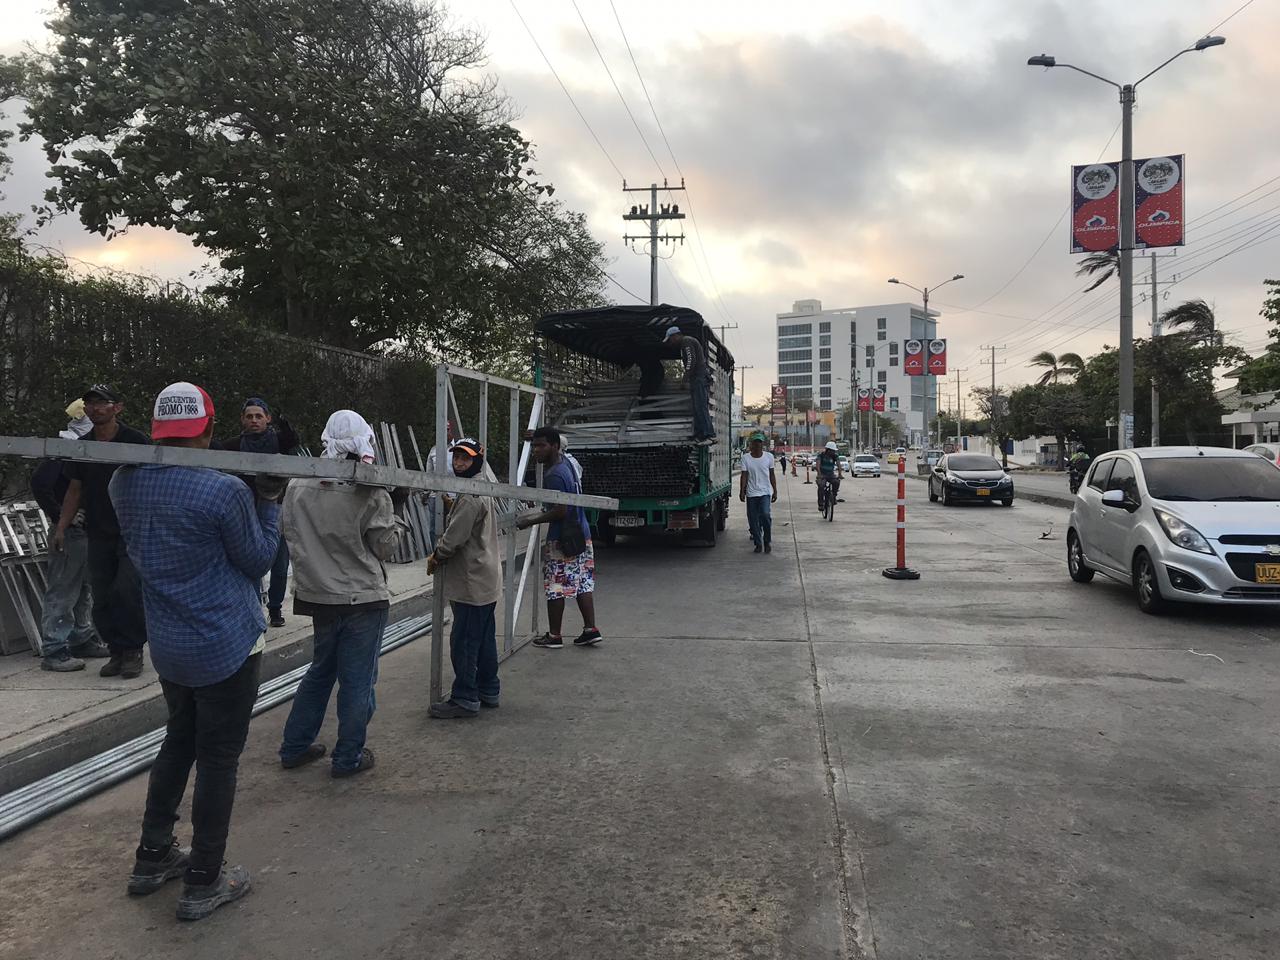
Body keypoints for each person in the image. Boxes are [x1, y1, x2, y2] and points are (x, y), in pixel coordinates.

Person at [110, 382, 280, 921]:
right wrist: (271, 504)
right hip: (225, 643)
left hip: (171, 646)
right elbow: (256, 560)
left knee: (178, 742)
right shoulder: (222, 489)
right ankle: (205, 879)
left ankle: (152, 856)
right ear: (208, 429)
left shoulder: (123, 482)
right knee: (218, 761)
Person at [276, 410, 409, 778]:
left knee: (321, 671)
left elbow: (290, 533)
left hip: (318, 596)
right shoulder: (369, 489)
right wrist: (398, 507)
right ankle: (348, 756)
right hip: (362, 598)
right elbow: (385, 547)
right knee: (358, 679)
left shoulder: (298, 484)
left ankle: (294, 746)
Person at [54, 384, 149, 679]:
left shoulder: (136, 442)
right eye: (90, 403)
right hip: (98, 533)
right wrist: (61, 527)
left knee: (127, 591)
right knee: (103, 594)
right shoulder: (83, 446)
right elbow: (74, 489)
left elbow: (154, 482)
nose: (95, 408)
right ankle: (117, 651)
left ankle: (133, 650)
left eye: (101, 403)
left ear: (117, 407)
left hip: (132, 532)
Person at [31, 399, 111, 670]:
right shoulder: (65, 449)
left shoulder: (80, 448)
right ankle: (55, 649)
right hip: (69, 531)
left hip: (83, 530)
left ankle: (81, 638)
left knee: (82, 589)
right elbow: (41, 484)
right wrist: (60, 516)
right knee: (64, 590)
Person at [426, 437, 502, 719]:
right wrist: (453, 507)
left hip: (472, 580)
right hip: (486, 578)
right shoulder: (479, 488)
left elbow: (454, 539)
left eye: (465, 459)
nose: (459, 463)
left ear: (477, 461)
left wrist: (437, 556)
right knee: (483, 639)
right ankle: (488, 689)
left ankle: (465, 697)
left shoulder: (470, 496)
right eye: (456, 458)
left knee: (464, 642)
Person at [518, 426, 602, 648]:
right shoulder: (568, 463)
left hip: (561, 539)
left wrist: (530, 521)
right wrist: (534, 433)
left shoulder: (554, 474)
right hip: (580, 534)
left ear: (554, 446)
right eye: (534, 446)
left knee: (555, 586)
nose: (536, 450)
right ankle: (590, 629)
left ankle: (554, 635)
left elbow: (560, 511)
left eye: (541, 445)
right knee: (583, 583)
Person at [220, 397, 299, 628]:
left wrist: (285, 423)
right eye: (249, 416)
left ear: (268, 419)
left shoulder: (277, 441)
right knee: (250, 562)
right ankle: (253, 607)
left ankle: (275, 609)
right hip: (246, 510)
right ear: (242, 419)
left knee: (280, 562)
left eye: (259, 416)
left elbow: (292, 440)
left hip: (276, 508)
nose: (254, 420)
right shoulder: (233, 445)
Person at [662, 326, 716, 443]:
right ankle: (699, 434)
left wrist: (683, 380)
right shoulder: (686, 343)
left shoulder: (686, 342)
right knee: (697, 408)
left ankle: (707, 434)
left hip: (699, 378)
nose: (671, 343)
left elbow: (691, 361)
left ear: (675, 336)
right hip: (697, 378)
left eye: (670, 340)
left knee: (700, 407)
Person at [739, 432, 777, 554]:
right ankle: (758, 543)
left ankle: (767, 541)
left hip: (765, 492)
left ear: (762, 445)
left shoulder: (769, 457)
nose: (757, 445)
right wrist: (742, 491)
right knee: (753, 520)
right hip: (751, 493)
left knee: (765, 515)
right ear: (751, 444)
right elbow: (744, 476)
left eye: (759, 443)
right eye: (755, 443)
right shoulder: (746, 458)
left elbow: (772, 475)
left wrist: (775, 490)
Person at [815, 441, 843, 511]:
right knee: (821, 486)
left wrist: (840, 474)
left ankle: (833, 497)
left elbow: (839, 465)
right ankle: (821, 504)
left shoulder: (835, 456)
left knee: (836, 482)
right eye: (832, 450)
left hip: (831, 474)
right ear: (828, 450)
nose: (833, 452)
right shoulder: (821, 455)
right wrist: (819, 474)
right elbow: (817, 465)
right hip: (822, 474)